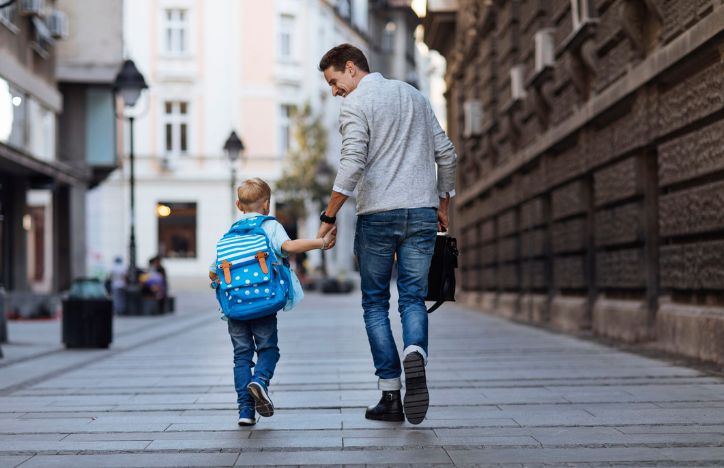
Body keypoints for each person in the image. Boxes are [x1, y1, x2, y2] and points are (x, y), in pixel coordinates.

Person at [316, 44, 457, 424]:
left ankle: (391, 394)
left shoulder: (356, 105)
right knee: (412, 297)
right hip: (422, 213)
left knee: (375, 304)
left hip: (378, 216)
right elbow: (447, 154)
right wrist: (443, 204)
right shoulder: (415, 97)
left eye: (333, 82)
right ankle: (416, 351)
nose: (334, 91)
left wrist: (329, 216)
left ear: (350, 68)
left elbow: (351, 165)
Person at [209, 177, 337, 426]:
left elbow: (213, 272)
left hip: (235, 306)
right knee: (268, 349)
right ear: (266, 204)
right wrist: (320, 242)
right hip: (263, 302)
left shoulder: (230, 234)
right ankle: (260, 381)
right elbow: (288, 246)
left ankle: (245, 412)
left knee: (241, 356)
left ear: (238, 204)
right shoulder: (269, 225)